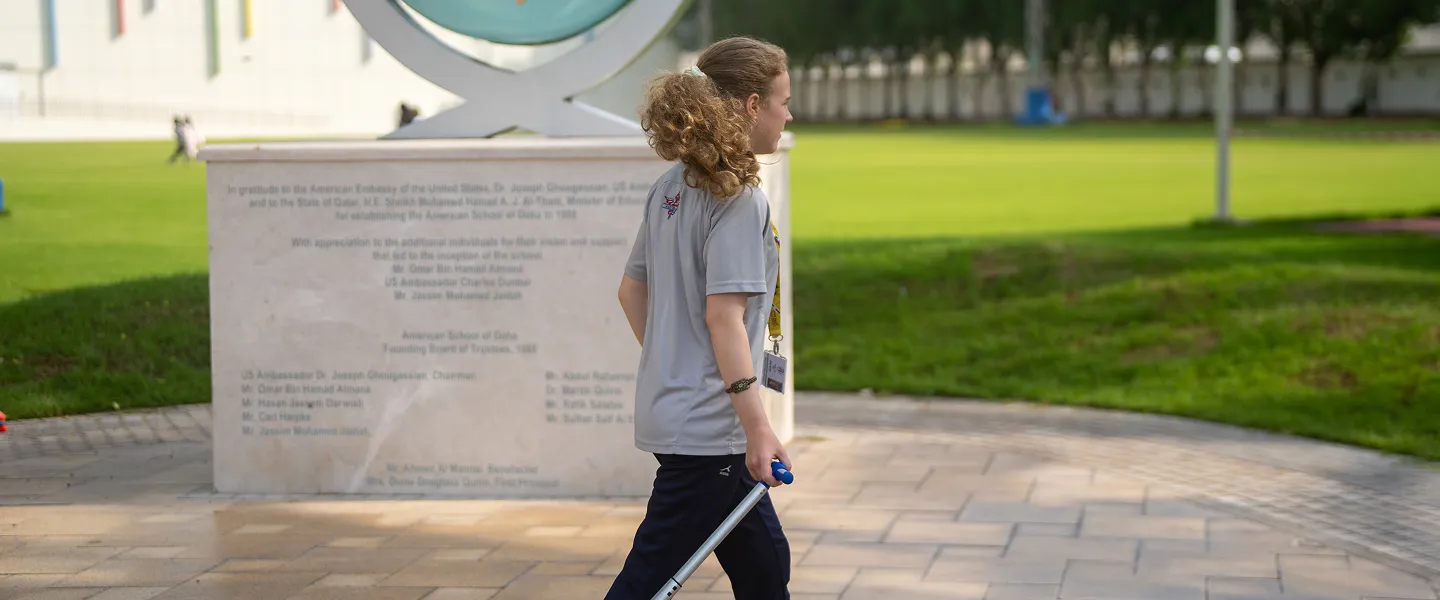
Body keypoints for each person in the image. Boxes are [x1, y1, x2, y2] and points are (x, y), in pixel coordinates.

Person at [607, 35, 794, 599]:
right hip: (709, 432)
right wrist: (759, 429)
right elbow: (723, 319)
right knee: (646, 583)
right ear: (753, 105)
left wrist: (676, 364)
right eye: (783, 102)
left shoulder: (670, 185)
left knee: (766, 569)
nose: (789, 115)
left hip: (685, 419)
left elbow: (630, 292)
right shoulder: (738, 197)